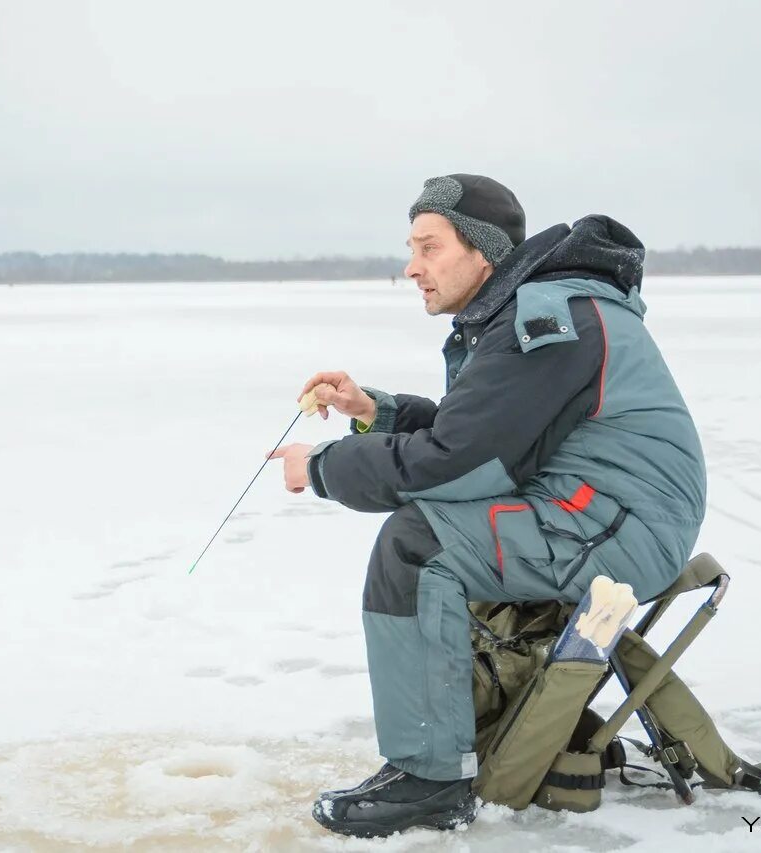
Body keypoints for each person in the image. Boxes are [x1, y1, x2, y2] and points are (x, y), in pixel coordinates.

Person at [266, 174, 707, 838]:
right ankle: (447, 745)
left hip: (619, 525)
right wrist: (371, 412)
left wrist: (323, 466)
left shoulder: (546, 318)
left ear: (483, 250)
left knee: (419, 546)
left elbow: (457, 459)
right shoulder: (533, 309)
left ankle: (430, 778)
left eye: (429, 246)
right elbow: (482, 429)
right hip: (601, 511)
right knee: (430, 533)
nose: (412, 266)